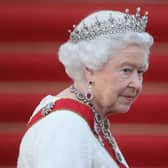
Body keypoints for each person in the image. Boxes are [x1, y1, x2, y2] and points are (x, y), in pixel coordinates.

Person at [17, 7, 154, 168]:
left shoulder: (86, 118)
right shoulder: (66, 125)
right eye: (126, 70)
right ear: (89, 68)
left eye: (140, 72)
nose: (136, 84)